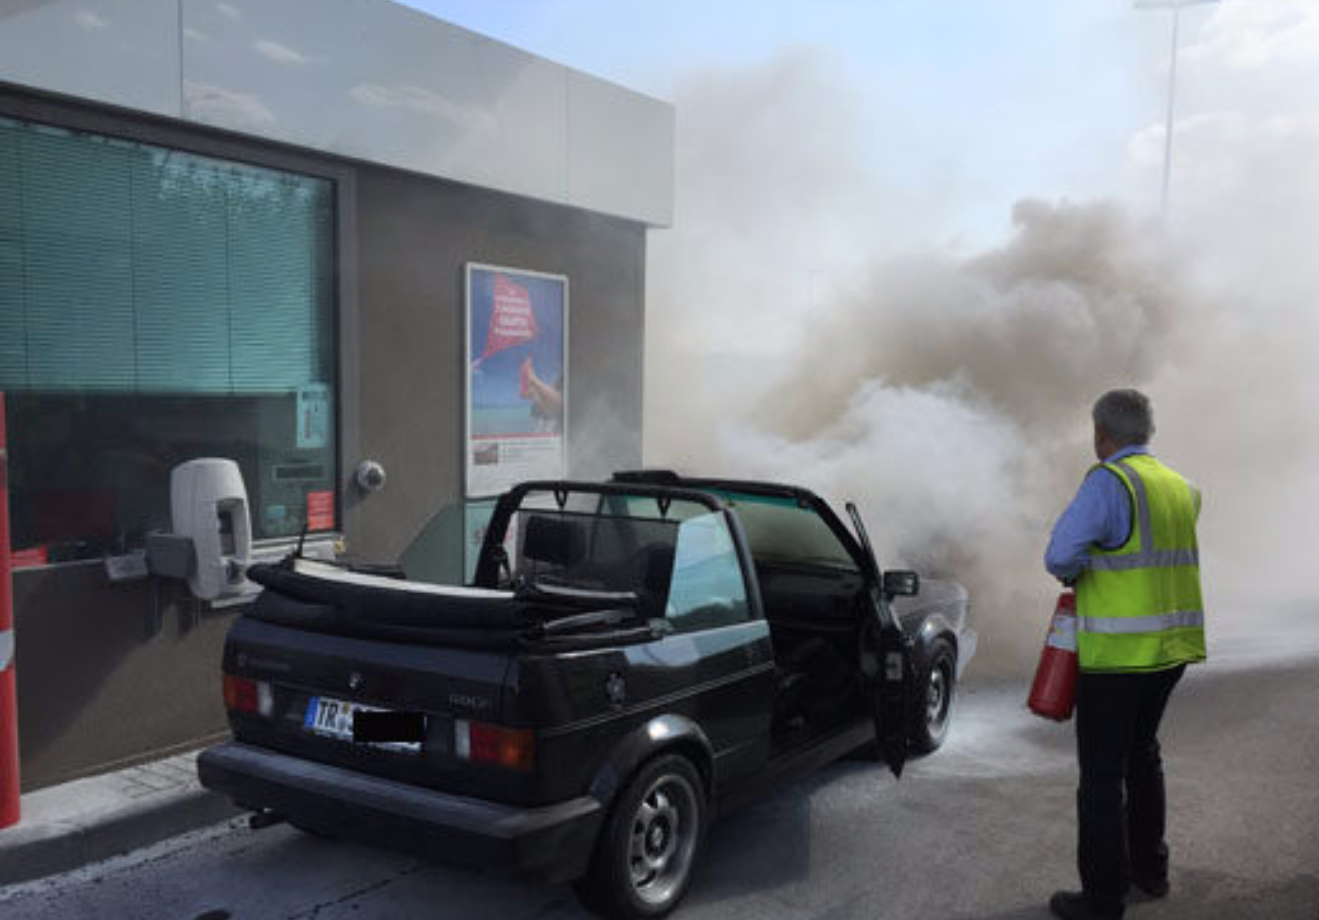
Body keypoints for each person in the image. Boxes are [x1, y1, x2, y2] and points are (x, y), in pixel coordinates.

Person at [1043, 389, 1207, 920]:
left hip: (1118, 656)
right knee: (1143, 756)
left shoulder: (1109, 482)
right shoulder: (1182, 487)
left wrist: (1081, 568)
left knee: (1101, 777)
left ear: (1101, 434)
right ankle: (1150, 873)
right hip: (1170, 651)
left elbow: (1060, 556)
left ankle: (1102, 899)